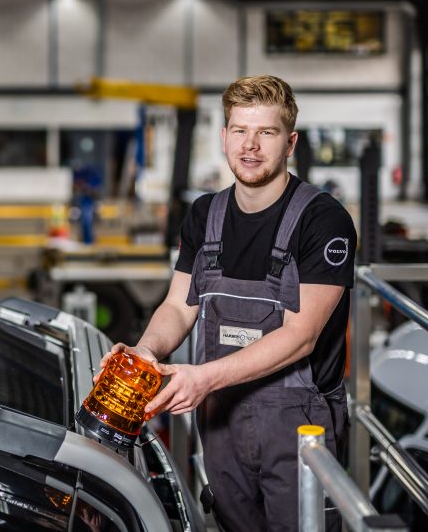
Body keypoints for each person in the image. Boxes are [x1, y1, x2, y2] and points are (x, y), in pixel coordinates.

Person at [97, 75, 356, 532]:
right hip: (220, 425)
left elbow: (301, 337)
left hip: (299, 431)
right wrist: (145, 352)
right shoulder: (205, 215)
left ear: (290, 142)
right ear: (223, 136)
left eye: (266, 133)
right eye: (240, 131)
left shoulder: (323, 220)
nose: (250, 146)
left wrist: (203, 378)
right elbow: (177, 308)